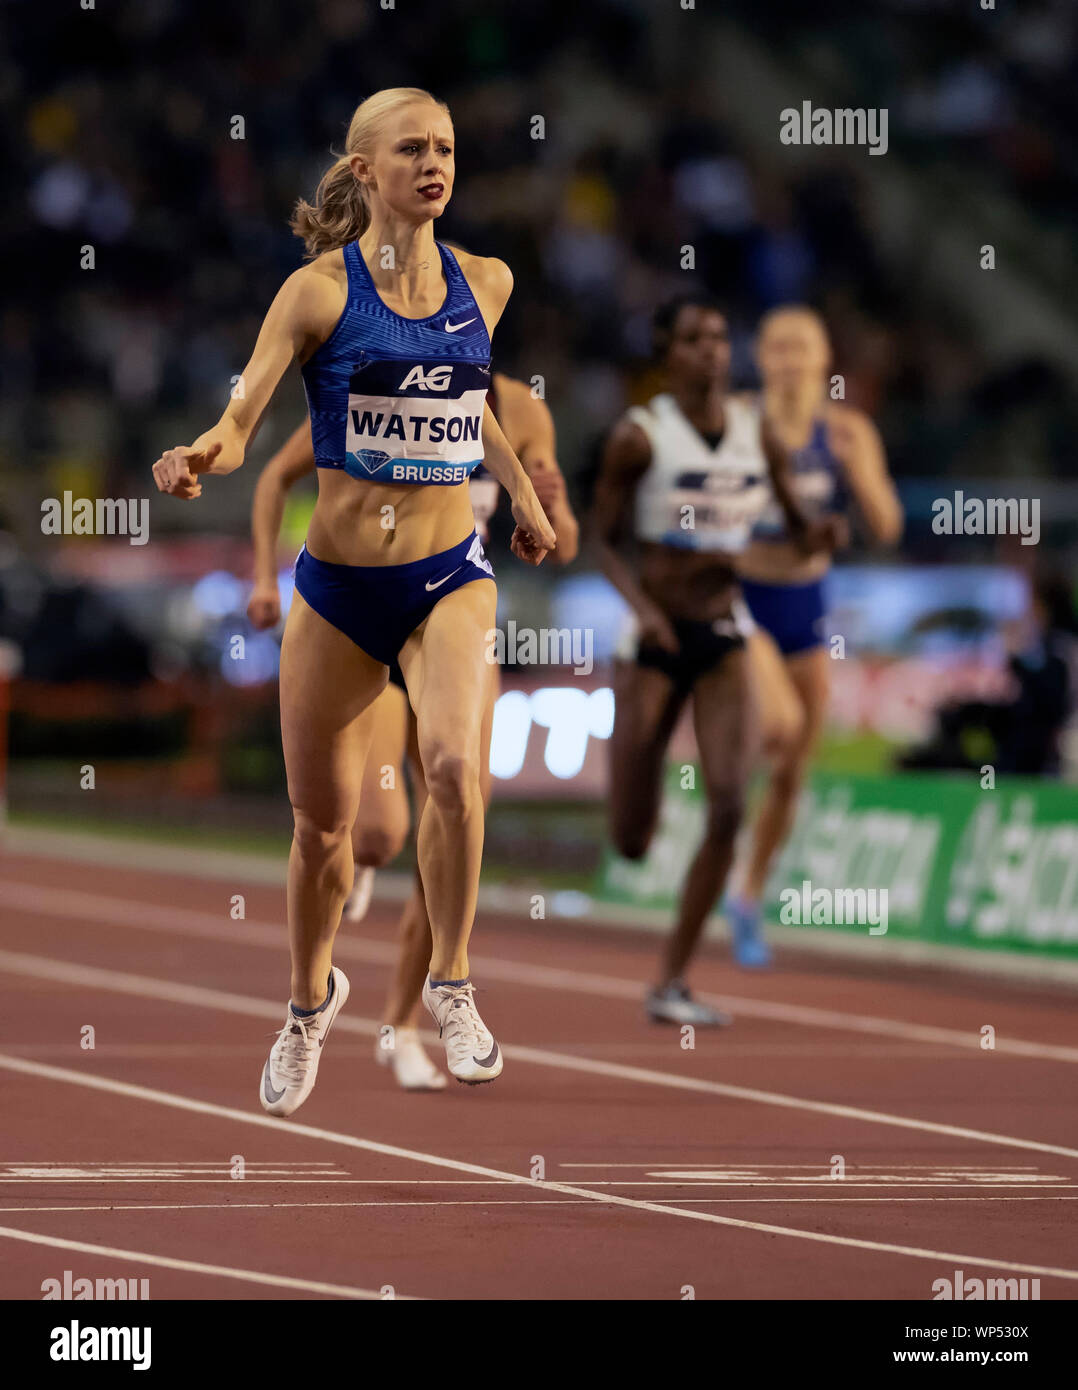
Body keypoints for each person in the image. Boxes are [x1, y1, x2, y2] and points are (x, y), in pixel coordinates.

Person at [152, 87, 556, 1112]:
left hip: (447, 575)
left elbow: (467, 411)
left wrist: (519, 494)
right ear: (364, 170)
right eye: (412, 149)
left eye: (448, 148)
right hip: (335, 590)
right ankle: (306, 1002)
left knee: (457, 767)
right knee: (321, 834)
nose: (436, 163)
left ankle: (451, 981)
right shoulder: (316, 293)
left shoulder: (489, 282)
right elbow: (245, 413)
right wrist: (206, 451)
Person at [246, 372, 578, 1088]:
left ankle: (409, 1019)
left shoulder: (520, 409)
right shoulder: (376, 377)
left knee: (458, 796)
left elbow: (564, 534)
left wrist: (547, 509)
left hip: (448, 612)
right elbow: (276, 474)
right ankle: (341, 921)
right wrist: (264, 579)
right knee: (375, 833)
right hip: (362, 614)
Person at [591, 295, 839, 1025]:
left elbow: (797, 528)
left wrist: (820, 533)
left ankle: (670, 980)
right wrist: (642, 610)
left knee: (730, 801)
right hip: (652, 642)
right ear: (667, 353)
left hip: (724, 630)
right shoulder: (640, 438)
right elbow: (602, 541)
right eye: (695, 339)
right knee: (632, 839)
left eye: (721, 337)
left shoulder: (756, 433)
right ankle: (634, 821)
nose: (712, 350)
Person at [727, 305, 903, 966]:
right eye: (780, 347)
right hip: (744, 596)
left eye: (804, 347)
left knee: (796, 765)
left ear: (825, 358)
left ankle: (746, 894)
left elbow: (886, 524)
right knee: (777, 723)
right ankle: (721, 813)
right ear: (763, 357)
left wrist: (859, 484)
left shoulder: (847, 431)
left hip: (807, 602)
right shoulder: (737, 419)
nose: (793, 359)